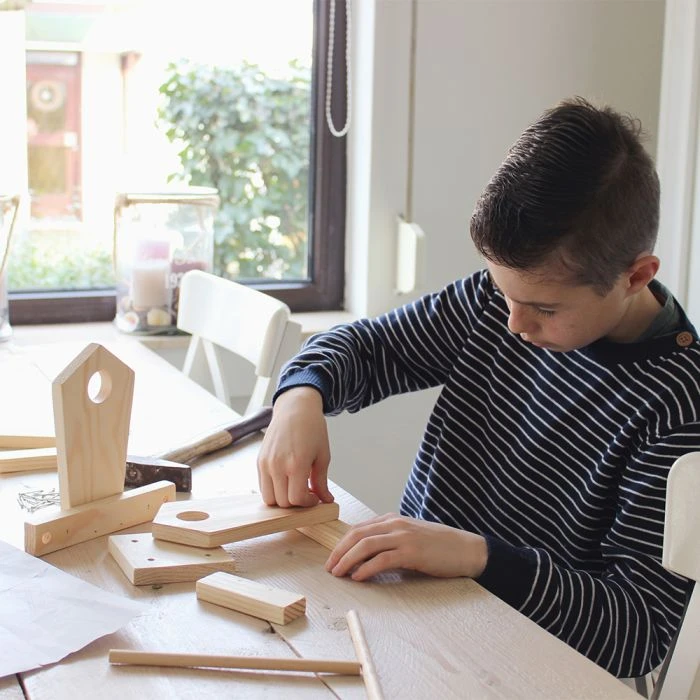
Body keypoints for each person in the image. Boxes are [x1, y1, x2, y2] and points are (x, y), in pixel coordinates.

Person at [256, 97, 700, 678]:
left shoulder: (677, 406)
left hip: (533, 669)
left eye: (544, 308)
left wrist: (478, 557)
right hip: (418, 621)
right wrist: (300, 397)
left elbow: (636, 633)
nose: (514, 323)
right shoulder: (498, 302)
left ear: (637, 275)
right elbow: (367, 349)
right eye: (504, 291)